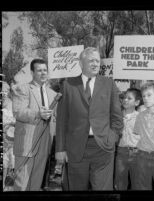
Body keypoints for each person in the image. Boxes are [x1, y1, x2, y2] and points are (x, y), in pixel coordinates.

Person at [55, 47, 123, 190]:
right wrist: (60, 148)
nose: (95, 64)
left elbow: (117, 117)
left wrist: (112, 138)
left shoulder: (109, 84)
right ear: (81, 63)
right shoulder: (67, 84)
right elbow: (61, 121)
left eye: (97, 61)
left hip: (103, 147)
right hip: (75, 148)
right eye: (91, 60)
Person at [12, 59, 58, 191]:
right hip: (27, 143)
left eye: (45, 70)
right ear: (32, 72)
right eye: (39, 70)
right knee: (22, 185)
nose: (43, 73)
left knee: (36, 184)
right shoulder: (22, 88)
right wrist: (38, 113)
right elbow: (18, 112)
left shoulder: (53, 94)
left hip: (45, 143)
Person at [114, 88, 142, 190]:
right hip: (121, 153)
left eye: (129, 98)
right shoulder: (117, 116)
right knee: (120, 183)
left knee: (138, 183)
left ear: (137, 102)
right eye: (124, 98)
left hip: (138, 153)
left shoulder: (141, 117)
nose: (125, 100)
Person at [2, 81, 15, 191]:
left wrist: (9, 123)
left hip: (11, 138)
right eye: (2, 91)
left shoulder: (12, 104)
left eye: (6, 91)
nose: (4, 93)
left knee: (11, 159)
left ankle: (9, 185)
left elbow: (16, 120)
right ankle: (2, 184)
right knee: (4, 161)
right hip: (2, 138)